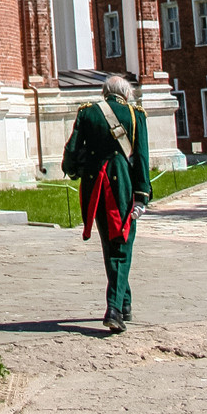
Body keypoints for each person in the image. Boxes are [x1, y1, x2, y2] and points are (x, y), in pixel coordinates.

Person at [62, 73, 152, 333]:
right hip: (122, 185)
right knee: (122, 245)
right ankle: (113, 308)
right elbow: (142, 157)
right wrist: (142, 195)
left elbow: (72, 150)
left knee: (109, 243)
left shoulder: (87, 113)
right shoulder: (136, 115)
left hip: (95, 186)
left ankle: (124, 303)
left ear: (105, 92)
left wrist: (72, 169)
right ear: (126, 93)